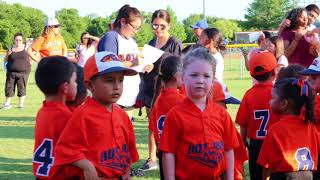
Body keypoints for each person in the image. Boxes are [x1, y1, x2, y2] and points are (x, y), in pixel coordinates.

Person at [54, 52, 139, 179]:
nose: (117, 86)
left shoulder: (123, 115)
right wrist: (86, 166)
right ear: (90, 85)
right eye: (109, 80)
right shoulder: (82, 115)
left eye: (120, 80)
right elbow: (64, 150)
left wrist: (127, 171)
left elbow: (128, 151)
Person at [159, 47, 239, 179]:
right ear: (183, 78)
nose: (200, 80)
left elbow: (229, 149)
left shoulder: (221, 113)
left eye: (206, 76)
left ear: (213, 80)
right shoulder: (175, 114)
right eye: (194, 75)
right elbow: (168, 153)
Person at [138, 9, 183, 171]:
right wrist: (144, 67)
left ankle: (172, 153)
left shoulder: (174, 43)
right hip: (150, 88)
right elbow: (143, 65)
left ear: (169, 25)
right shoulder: (150, 43)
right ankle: (152, 158)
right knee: (152, 125)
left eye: (162, 26)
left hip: (168, 92)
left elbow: (179, 68)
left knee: (169, 124)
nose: (158, 29)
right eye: (155, 25)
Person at [97, 4, 153, 119]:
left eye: (138, 28)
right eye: (134, 27)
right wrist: (133, 63)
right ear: (122, 21)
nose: (136, 31)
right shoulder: (111, 37)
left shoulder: (132, 41)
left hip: (128, 99)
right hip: (114, 99)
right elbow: (108, 67)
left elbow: (134, 65)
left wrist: (144, 67)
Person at [257, 78, 318, 179]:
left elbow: (267, 165)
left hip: (285, 176)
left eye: (272, 98)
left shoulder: (276, 130)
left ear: (284, 103)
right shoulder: (310, 126)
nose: (269, 101)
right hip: (308, 175)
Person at [235, 52, 280, 180]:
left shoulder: (249, 94)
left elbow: (243, 123)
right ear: (274, 72)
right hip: (275, 142)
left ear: (252, 74)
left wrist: (243, 142)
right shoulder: (279, 93)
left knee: (256, 175)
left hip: (256, 144)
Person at [32, 56, 77, 179]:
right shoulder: (67, 116)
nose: (77, 84)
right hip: (59, 176)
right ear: (65, 88)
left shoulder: (42, 111)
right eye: (74, 80)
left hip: (42, 175)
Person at [148, 55, 184, 179]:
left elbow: (152, 129)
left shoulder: (158, 100)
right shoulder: (182, 101)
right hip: (179, 154)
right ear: (176, 76)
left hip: (163, 153)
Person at [199, 27, 240, 104]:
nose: (199, 40)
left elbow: (214, 78)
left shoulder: (216, 57)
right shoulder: (205, 54)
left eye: (202, 37)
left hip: (215, 92)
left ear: (210, 41)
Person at [2, 32, 31, 109]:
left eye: (20, 40)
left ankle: (20, 105)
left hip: (23, 73)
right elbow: (5, 60)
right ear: (14, 40)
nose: (18, 41)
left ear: (23, 40)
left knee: (21, 88)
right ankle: (7, 104)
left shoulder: (26, 48)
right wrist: (8, 54)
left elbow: (33, 56)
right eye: (16, 40)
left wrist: (30, 63)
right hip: (11, 72)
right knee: (9, 88)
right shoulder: (10, 49)